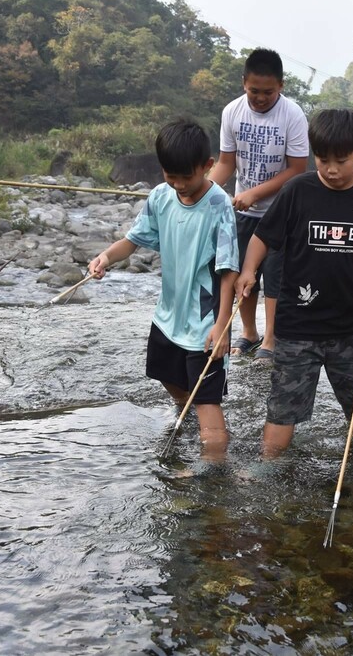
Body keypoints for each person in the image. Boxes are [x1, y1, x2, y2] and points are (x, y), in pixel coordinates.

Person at [236, 108, 353, 458]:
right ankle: (268, 466)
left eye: (341, 160)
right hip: (296, 328)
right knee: (282, 409)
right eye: (322, 160)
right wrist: (248, 270)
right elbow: (263, 236)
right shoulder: (297, 191)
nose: (332, 170)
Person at [89, 119, 239, 461]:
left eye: (187, 178)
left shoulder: (219, 207)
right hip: (169, 315)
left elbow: (228, 270)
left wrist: (223, 324)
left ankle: (212, 473)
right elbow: (133, 240)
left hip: (205, 322)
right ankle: (184, 415)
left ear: (207, 166)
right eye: (172, 178)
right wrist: (105, 258)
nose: (180, 186)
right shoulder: (160, 196)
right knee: (165, 376)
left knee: (207, 402)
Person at [209, 48, 310, 363]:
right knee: (241, 274)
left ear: (280, 85)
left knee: (275, 277)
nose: (260, 98)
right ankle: (250, 332)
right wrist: (205, 191)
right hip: (242, 212)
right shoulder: (232, 112)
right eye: (254, 91)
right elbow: (226, 163)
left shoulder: (292, 115)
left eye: (268, 92)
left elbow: (297, 169)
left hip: (281, 214)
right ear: (243, 83)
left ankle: (271, 338)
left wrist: (257, 193)